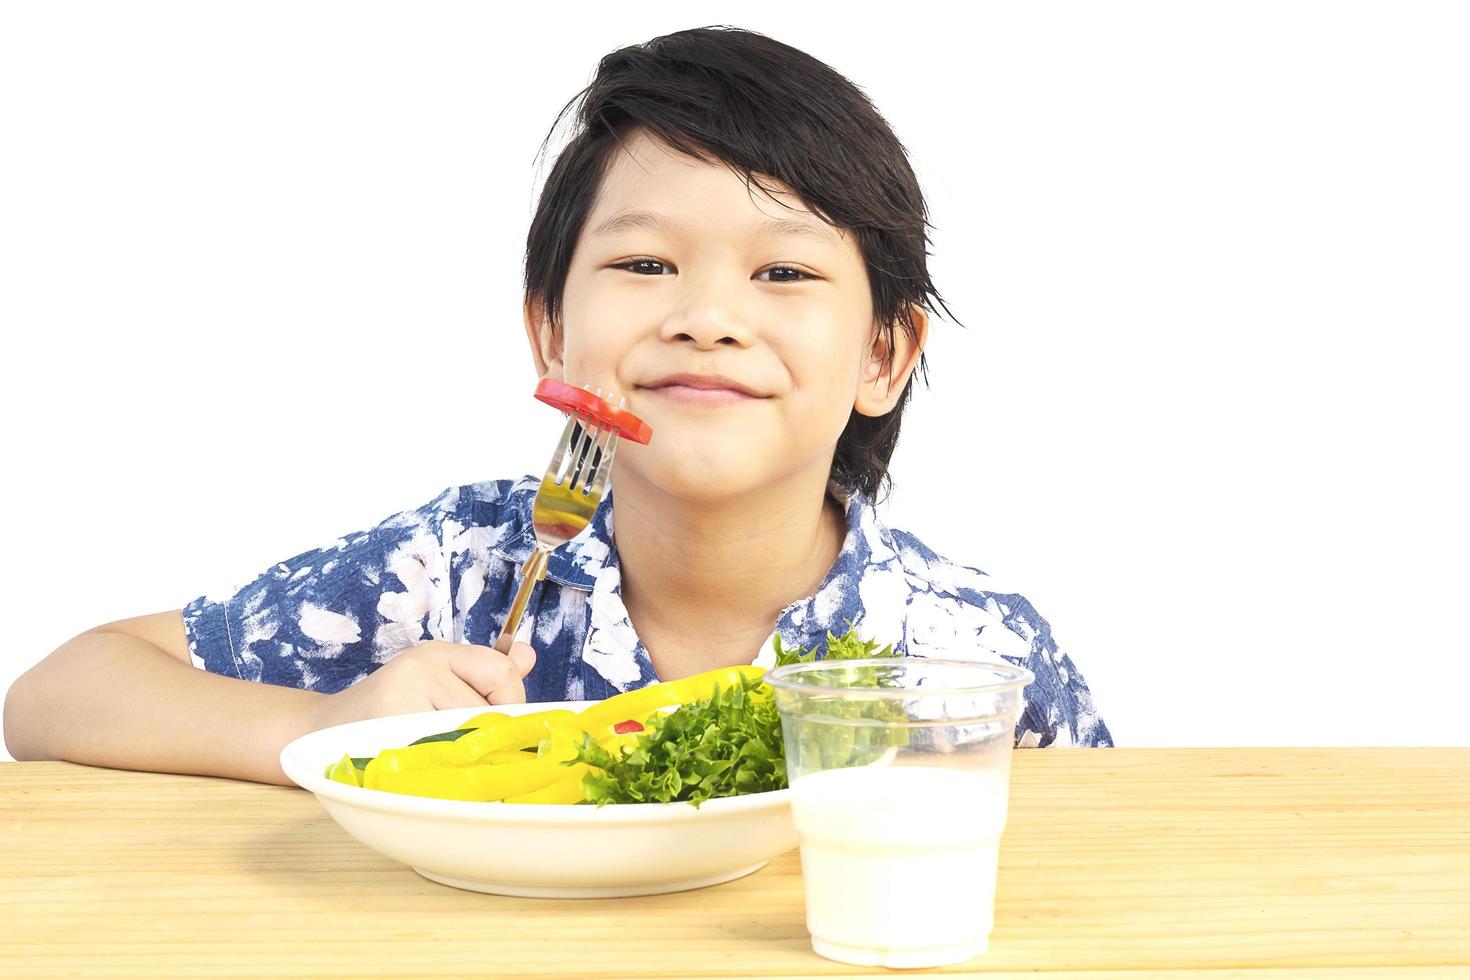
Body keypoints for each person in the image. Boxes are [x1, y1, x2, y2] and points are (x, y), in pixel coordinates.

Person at [3, 26, 1112, 786]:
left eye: (782, 274)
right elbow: (56, 693)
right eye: (644, 265)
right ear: (551, 333)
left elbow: (1107, 865)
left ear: (883, 353)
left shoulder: (971, 653)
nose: (708, 318)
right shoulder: (449, 568)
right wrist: (319, 725)